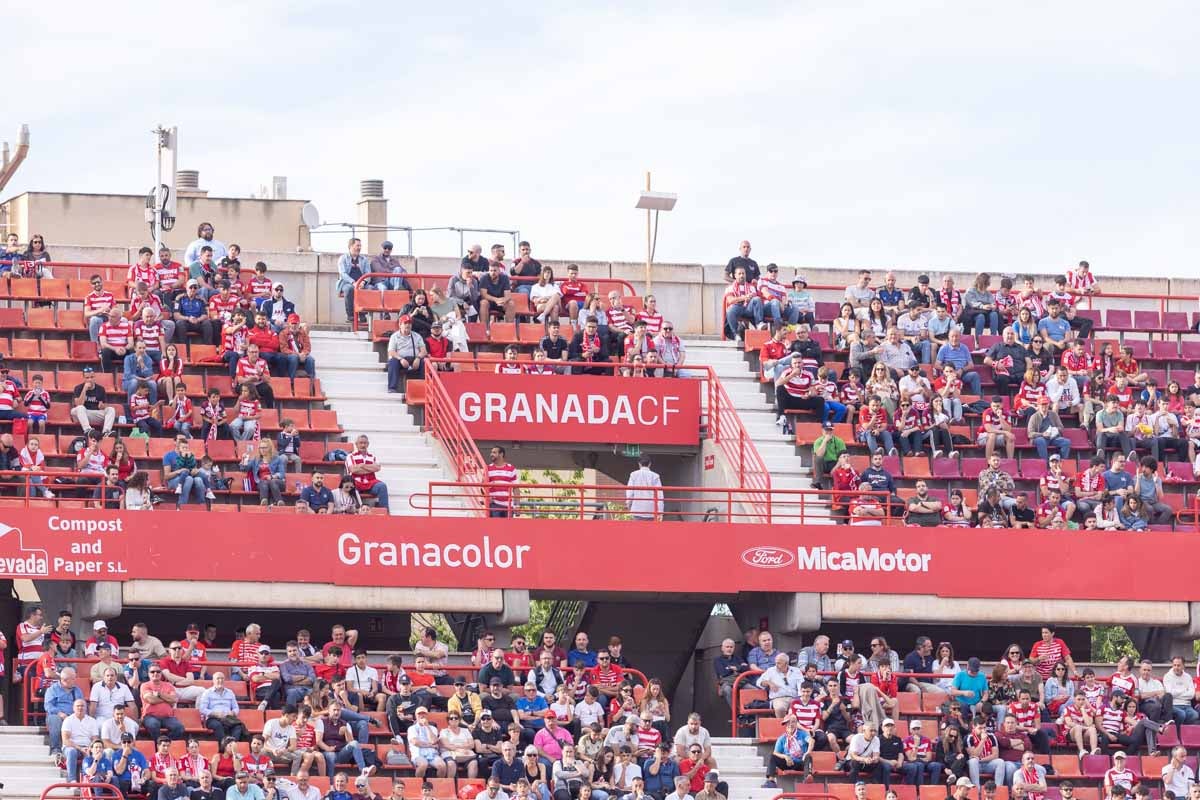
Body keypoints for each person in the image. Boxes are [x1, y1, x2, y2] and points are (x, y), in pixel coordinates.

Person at [336, 238, 372, 323]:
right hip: (347, 283)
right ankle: (350, 315)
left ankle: (363, 313)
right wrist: (353, 282)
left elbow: (368, 273)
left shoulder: (364, 259)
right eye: (357, 245)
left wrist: (363, 282)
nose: (359, 248)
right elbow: (343, 273)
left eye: (360, 246)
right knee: (349, 289)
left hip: (361, 282)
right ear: (351, 246)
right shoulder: (343, 258)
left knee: (370, 288)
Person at [625, 457, 663, 521]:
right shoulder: (655, 476)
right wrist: (660, 512)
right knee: (650, 530)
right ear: (650, 464)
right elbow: (659, 495)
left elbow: (630, 492)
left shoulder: (633, 474)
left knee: (636, 530)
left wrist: (628, 504)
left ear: (639, 464)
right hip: (651, 510)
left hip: (637, 509)